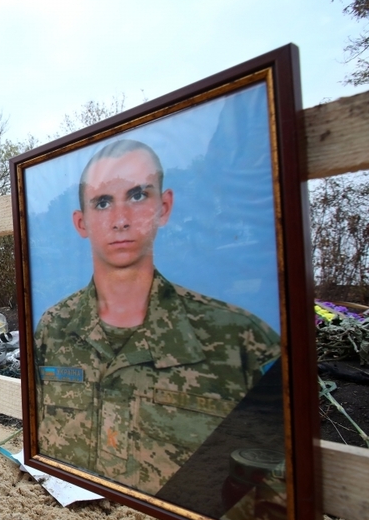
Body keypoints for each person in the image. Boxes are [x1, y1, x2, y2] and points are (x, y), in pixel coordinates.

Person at [32, 139, 281, 495]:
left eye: (137, 196)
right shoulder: (53, 330)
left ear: (163, 207)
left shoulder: (239, 341)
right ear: (81, 221)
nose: (120, 220)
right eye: (103, 203)